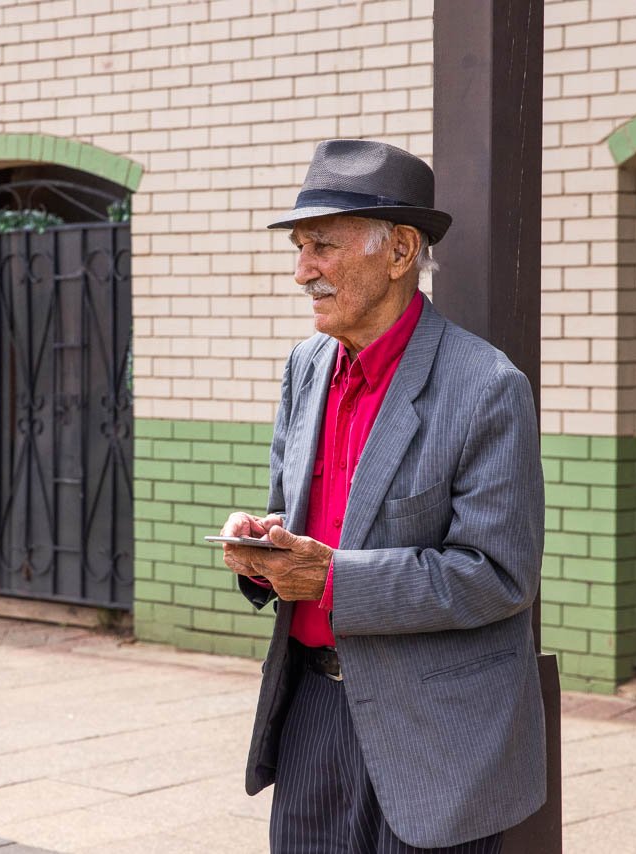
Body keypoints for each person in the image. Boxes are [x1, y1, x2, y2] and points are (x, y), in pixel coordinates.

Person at [220, 139, 546, 853]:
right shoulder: (306, 365)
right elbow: (293, 508)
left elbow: (499, 575)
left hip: (434, 732)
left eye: (323, 247)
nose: (302, 271)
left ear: (400, 251)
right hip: (311, 710)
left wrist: (330, 578)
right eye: (300, 247)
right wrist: (264, 544)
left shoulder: (487, 387)